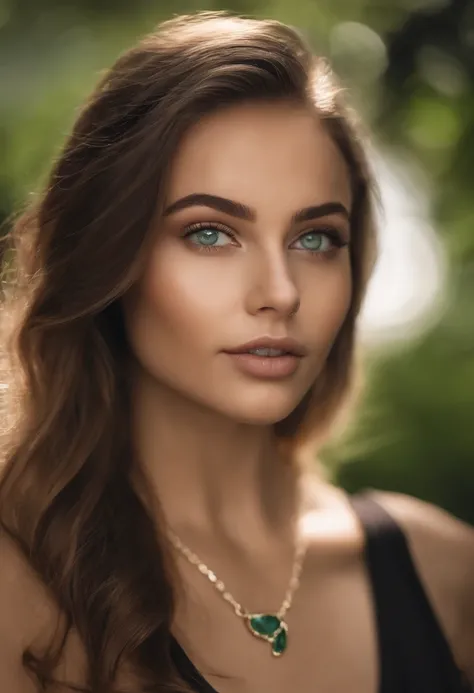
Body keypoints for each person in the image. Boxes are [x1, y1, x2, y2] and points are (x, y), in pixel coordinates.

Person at [0, 10, 472, 693]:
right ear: (109, 253)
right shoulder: (18, 585)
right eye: (210, 233)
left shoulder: (445, 575)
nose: (279, 293)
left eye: (315, 239)